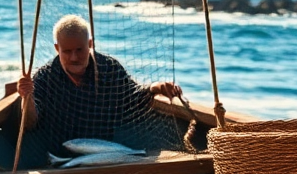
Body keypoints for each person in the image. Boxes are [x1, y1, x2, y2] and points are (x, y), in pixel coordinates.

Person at [18, 14, 179, 152]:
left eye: (80, 50)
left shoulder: (109, 68)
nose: (74, 58)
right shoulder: (45, 76)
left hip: (103, 152)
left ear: (90, 44)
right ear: (57, 48)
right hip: (58, 156)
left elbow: (134, 100)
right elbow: (30, 123)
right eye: (67, 51)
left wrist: (155, 88)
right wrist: (27, 97)